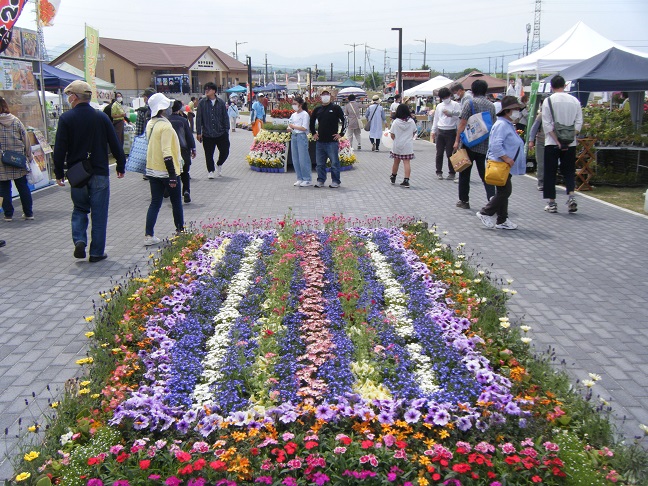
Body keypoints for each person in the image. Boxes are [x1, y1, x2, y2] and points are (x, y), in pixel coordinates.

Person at [53, 80, 126, 262]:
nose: (69, 98)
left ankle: (79, 240)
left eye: (70, 95)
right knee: (99, 214)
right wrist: (120, 165)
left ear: (74, 97)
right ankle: (96, 252)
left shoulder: (66, 118)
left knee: (79, 208)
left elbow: (60, 149)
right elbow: (115, 142)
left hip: (77, 173)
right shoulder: (101, 117)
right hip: (100, 170)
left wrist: (59, 173)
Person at [476, 96, 527, 230]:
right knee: (505, 192)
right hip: (501, 164)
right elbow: (495, 145)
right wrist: (506, 158)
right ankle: (485, 212)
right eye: (515, 109)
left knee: (503, 191)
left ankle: (502, 219)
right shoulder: (501, 125)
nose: (517, 112)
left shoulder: (507, 124)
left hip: (505, 166)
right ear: (507, 110)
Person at [144, 93, 184, 246]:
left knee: (155, 202)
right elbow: (167, 152)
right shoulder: (165, 126)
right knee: (176, 202)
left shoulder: (151, 124)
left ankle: (148, 235)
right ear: (163, 108)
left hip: (153, 170)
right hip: (168, 171)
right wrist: (172, 175)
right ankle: (180, 231)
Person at [541, 74, 583, 213]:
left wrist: (558, 141)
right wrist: (570, 137)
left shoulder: (548, 101)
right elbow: (579, 123)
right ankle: (571, 196)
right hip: (571, 143)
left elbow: (546, 124)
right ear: (565, 86)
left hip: (552, 142)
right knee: (569, 171)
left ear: (551, 87)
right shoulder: (575, 101)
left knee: (550, 172)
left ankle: (552, 203)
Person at [453, 79, 496, 209]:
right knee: (485, 175)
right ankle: (492, 200)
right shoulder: (491, 106)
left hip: (469, 144)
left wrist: (456, 141)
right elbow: (492, 125)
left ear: (472, 90)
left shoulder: (469, 103)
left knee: (464, 173)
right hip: (484, 145)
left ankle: (464, 201)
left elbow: (462, 123)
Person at [0, 96, 34, 222]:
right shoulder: (15, 120)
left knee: (3, 189)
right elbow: (26, 140)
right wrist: (29, 156)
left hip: (1, 161)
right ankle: (28, 213)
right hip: (18, 158)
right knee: (22, 187)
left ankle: (8, 214)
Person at [309, 89, 346, 188]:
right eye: (323, 95)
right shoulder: (318, 109)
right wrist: (313, 133)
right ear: (320, 96)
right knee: (320, 164)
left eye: (327, 94)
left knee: (334, 163)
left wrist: (341, 134)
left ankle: (336, 181)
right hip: (320, 142)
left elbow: (344, 120)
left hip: (332, 142)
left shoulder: (335, 108)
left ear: (330, 96)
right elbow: (311, 122)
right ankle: (321, 180)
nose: (325, 96)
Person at [196, 82, 230, 179]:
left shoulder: (221, 102)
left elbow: (225, 117)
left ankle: (219, 163)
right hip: (207, 133)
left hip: (221, 132)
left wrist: (226, 130)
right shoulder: (202, 103)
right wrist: (199, 132)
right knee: (208, 154)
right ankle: (210, 170)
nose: (207, 91)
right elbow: (199, 118)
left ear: (214, 91)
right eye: (205, 89)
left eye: (209, 89)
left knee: (225, 151)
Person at [169, 100, 196, 203]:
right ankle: (186, 191)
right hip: (183, 150)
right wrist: (193, 148)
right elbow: (189, 136)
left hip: (171, 151)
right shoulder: (183, 120)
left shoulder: (167, 121)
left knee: (172, 172)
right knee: (185, 172)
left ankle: (169, 191)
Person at [431, 87, 461, 181]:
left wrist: (458, 134)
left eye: (446, 97)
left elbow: (459, 117)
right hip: (440, 130)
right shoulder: (440, 106)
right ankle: (439, 171)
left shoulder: (456, 105)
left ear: (449, 96)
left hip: (451, 130)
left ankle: (452, 172)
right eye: (443, 98)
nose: (445, 99)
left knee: (450, 153)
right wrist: (433, 130)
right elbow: (436, 119)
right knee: (439, 153)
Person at [389, 104, 417, 188]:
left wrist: (396, 139)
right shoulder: (411, 121)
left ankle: (393, 176)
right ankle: (406, 180)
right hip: (407, 145)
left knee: (396, 162)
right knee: (407, 162)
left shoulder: (396, 122)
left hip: (397, 144)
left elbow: (392, 134)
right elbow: (414, 132)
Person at [287, 96, 312, 187]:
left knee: (303, 158)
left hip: (301, 136)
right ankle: (299, 177)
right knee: (295, 158)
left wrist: (293, 126)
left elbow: (304, 128)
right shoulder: (293, 115)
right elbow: (290, 124)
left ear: (300, 105)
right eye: (293, 104)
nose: (293, 105)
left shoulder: (305, 114)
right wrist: (290, 127)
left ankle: (307, 178)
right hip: (294, 136)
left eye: (295, 104)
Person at [528, 105, 545, 191]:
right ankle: (541, 182)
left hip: (553, 142)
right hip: (541, 141)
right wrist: (531, 140)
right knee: (541, 163)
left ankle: (549, 181)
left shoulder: (557, 115)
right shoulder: (541, 115)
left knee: (551, 163)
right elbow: (534, 128)